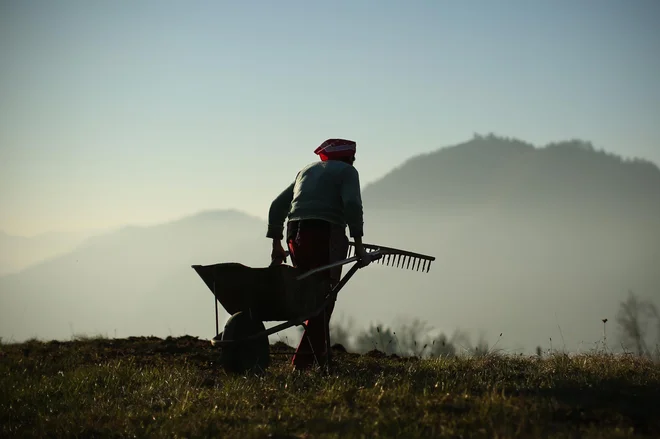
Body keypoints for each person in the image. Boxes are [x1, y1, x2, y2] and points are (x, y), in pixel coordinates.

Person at [266, 138, 371, 370]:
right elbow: (352, 205)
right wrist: (359, 245)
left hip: (294, 235)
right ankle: (303, 364)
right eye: (352, 158)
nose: (353, 162)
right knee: (324, 298)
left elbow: (276, 205)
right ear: (348, 158)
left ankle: (319, 358)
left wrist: (276, 243)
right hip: (325, 234)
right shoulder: (348, 172)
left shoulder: (306, 171)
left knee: (310, 292)